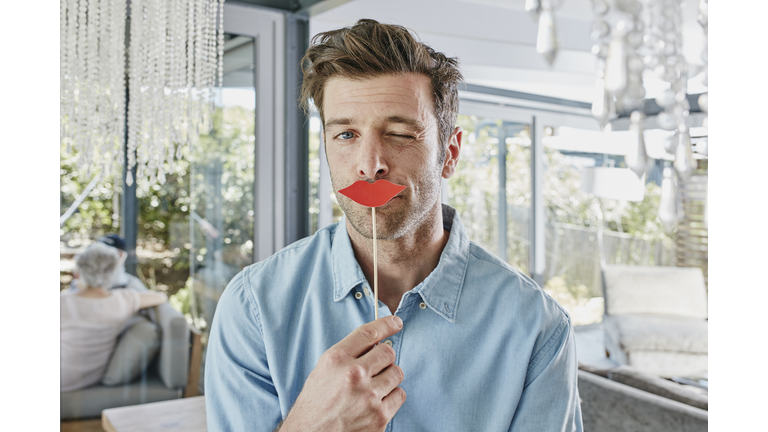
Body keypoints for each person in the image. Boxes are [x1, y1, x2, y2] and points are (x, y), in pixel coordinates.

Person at [205, 19, 583, 431]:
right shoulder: (253, 308)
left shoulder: (538, 329)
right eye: (346, 135)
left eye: (401, 134)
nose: (370, 164)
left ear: (450, 153)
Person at [60, 242, 168, 393]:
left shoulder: (63, 303)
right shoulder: (122, 300)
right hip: (87, 379)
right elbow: (160, 297)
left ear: (77, 272)